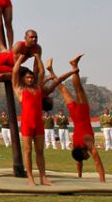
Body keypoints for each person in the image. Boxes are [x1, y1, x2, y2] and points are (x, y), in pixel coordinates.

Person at [12, 53, 76, 186]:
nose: (30, 79)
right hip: (27, 125)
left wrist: (37, 56)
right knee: (27, 151)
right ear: (23, 79)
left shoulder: (38, 89)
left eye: (31, 77)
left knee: (40, 152)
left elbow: (41, 71)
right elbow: (14, 72)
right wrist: (19, 59)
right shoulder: (20, 90)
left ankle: (43, 177)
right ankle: (30, 177)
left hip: (39, 124)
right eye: (28, 77)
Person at [46, 56, 106, 181]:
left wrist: (103, 180)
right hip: (73, 113)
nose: (87, 157)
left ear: (84, 152)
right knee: (62, 89)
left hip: (82, 113)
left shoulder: (88, 143)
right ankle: (51, 71)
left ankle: (74, 66)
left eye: (85, 156)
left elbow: (97, 162)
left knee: (79, 89)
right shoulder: (76, 146)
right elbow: (78, 161)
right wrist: (79, 176)